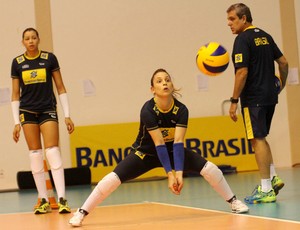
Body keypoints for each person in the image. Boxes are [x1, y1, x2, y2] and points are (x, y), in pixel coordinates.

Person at [69, 68, 249, 227]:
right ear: (152, 89)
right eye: (159, 81)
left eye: (167, 80)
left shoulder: (181, 110)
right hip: (145, 153)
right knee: (112, 179)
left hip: (173, 152)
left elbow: (178, 143)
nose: (165, 83)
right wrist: (169, 175)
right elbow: (159, 144)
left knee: (210, 169)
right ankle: (81, 213)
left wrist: (178, 173)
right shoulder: (148, 110)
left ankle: (233, 201)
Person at [226, 3, 289, 204]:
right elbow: (284, 63)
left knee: (257, 139)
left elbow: (241, 72)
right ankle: (272, 178)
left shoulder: (242, 39)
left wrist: (234, 101)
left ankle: (266, 189)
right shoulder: (266, 36)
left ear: (244, 19)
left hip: (253, 98)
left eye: (232, 19)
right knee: (259, 138)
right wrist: (280, 84)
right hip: (270, 96)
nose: (229, 24)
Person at [11, 27, 75, 214]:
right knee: (35, 154)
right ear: (23, 42)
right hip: (27, 112)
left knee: (53, 151)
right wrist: (16, 122)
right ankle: (44, 200)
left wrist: (67, 115)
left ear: (38, 39)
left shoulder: (49, 59)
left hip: (48, 109)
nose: (30, 41)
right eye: (27, 38)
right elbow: (15, 94)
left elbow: (61, 87)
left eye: (33, 38)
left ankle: (62, 199)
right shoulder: (17, 62)